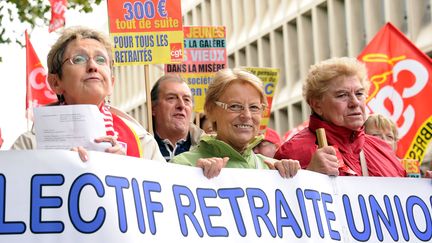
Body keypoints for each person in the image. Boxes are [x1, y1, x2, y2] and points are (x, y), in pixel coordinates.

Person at [11, 26, 164, 162]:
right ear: (55, 82)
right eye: (79, 59)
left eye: (101, 59)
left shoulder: (144, 144)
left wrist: (125, 170)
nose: (92, 66)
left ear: (111, 83)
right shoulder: (29, 145)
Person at [274, 57, 406, 177]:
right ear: (317, 105)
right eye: (342, 95)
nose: (355, 103)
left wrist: (425, 186)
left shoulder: (381, 150)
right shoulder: (293, 153)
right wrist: (310, 175)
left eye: (359, 93)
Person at [172, 68, 300, 179]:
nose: (247, 115)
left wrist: (292, 179)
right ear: (210, 110)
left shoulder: (274, 170)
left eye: (254, 107)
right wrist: (193, 178)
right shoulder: (183, 166)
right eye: (235, 106)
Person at [151, 74, 204, 161]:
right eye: (171, 98)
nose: (181, 105)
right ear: (153, 108)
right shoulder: (138, 148)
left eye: (186, 99)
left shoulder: (210, 150)